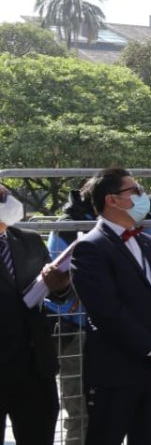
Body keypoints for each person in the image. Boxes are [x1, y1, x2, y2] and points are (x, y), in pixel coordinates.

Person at [70, 168, 151, 445]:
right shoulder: (89, 248)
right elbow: (107, 310)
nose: (143, 196)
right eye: (135, 190)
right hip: (115, 372)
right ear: (113, 200)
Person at [0, 184, 71, 445]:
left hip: (35, 368)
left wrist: (61, 285)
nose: (8, 202)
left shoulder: (28, 240)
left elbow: (55, 295)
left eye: (7, 196)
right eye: (0, 198)